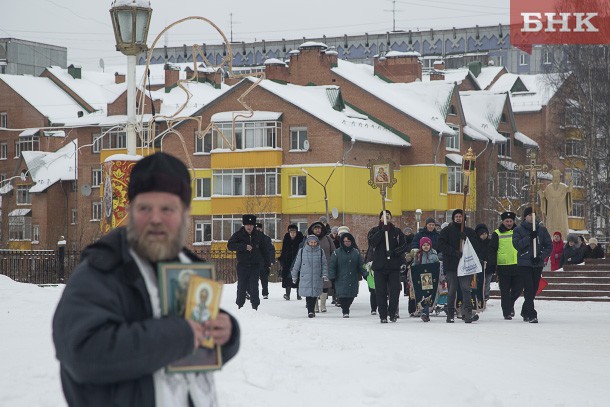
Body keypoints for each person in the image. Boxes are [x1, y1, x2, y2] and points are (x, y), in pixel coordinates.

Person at [52, 152, 240, 406]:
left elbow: (198, 345)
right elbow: (82, 353)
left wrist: (227, 335)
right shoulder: (101, 272)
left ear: (186, 213)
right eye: (145, 208)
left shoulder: (188, 268)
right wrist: (177, 336)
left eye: (167, 209)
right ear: (130, 210)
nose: (155, 219)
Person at [367, 210, 409, 323]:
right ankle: (383, 315)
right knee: (380, 292)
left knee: (395, 291)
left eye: (388, 216)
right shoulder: (374, 231)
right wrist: (382, 231)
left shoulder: (397, 232)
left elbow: (404, 246)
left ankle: (392, 313)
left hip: (393, 267)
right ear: (380, 218)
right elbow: (372, 243)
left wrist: (394, 252)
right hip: (379, 267)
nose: (386, 218)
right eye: (384, 216)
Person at [512, 206, 552, 323]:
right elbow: (517, 245)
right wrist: (529, 238)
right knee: (529, 287)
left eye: (533, 215)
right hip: (524, 263)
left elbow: (549, 246)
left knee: (534, 288)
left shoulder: (542, 230)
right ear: (525, 217)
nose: (531, 217)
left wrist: (540, 256)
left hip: (537, 263)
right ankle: (531, 313)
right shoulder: (518, 230)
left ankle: (525, 310)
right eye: (529, 215)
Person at [438, 209, 478, 323]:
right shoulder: (447, 231)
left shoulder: (469, 231)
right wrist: (454, 252)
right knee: (452, 290)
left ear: (464, 218)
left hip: (465, 265)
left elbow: (475, 245)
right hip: (452, 265)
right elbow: (441, 244)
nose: (458, 218)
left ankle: (467, 313)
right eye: (456, 216)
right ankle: (450, 313)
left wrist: (466, 238)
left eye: (460, 216)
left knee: (466, 289)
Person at [228, 214, 269, 310]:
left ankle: (255, 307)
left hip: (255, 265)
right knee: (241, 286)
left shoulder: (259, 235)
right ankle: (240, 305)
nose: (249, 227)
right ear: (244, 225)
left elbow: (265, 250)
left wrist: (267, 265)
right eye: (247, 225)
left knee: (254, 286)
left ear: (254, 225)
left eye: (251, 225)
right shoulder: (238, 234)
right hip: (242, 265)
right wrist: (244, 246)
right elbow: (230, 245)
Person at [487, 211, 522, 319]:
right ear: (503, 221)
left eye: (511, 221)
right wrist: (493, 264)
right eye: (507, 221)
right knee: (505, 291)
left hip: (517, 265)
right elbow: (492, 250)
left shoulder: (519, 231)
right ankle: (507, 312)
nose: (509, 223)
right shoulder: (497, 233)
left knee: (519, 288)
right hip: (503, 266)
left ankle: (510, 304)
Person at [328, 232, 367, 318]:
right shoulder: (336, 253)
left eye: (349, 241)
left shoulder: (356, 252)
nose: (347, 243)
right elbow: (332, 265)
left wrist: (365, 274)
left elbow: (361, 265)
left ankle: (347, 307)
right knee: (342, 296)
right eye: (345, 241)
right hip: (340, 278)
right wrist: (332, 277)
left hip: (353, 278)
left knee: (351, 296)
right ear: (342, 242)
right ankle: (345, 311)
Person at [291, 235, 329, 318]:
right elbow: (297, 264)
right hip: (306, 276)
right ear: (308, 243)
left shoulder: (320, 251)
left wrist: (325, 274)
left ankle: (312, 310)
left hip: (316, 276)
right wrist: (294, 276)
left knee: (314, 294)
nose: (313, 244)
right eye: (311, 242)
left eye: (315, 242)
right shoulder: (302, 251)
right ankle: (310, 311)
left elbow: (324, 264)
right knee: (308, 295)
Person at [307, 220, 335, 312]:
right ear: (312, 230)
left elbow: (333, 252)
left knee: (325, 285)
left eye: (319, 228)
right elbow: (304, 252)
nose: (318, 230)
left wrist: (333, 263)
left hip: (326, 265)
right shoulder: (309, 239)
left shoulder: (327, 238)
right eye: (315, 229)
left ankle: (323, 305)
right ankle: (315, 306)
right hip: (313, 267)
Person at [411, 236, 440, 322]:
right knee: (422, 295)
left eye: (427, 245)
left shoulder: (434, 256)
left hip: (431, 279)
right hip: (422, 278)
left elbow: (438, 267)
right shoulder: (418, 255)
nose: (426, 246)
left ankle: (426, 312)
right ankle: (424, 312)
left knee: (429, 295)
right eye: (424, 245)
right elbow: (414, 266)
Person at [539, 169, 573, 240]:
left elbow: (570, 189)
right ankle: (550, 238)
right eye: (554, 177)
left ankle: (563, 238)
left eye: (557, 177)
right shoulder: (549, 187)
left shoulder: (563, 187)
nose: (555, 179)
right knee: (551, 226)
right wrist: (539, 192)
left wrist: (571, 180)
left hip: (561, 210)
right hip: (551, 210)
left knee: (562, 224)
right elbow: (543, 196)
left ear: (559, 178)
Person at [278, 224, 304, 300]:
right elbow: (283, 251)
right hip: (288, 262)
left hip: (298, 261)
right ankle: (287, 294)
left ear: (296, 232)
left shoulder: (300, 240)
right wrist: (282, 260)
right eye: (291, 232)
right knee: (288, 278)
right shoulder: (286, 239)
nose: (292, 234)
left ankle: (299, 295)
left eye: (294, 232)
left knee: (298, 277)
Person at [255, 222, 276, 300]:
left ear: (261, 229)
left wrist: (271, 261)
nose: (258, 230)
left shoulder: (266, 238)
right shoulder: (250, 238)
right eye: (256, 229)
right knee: (253, 280)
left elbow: (271, 250)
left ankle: (265, 293)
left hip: (264, 263)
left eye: (259, 229)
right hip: (254, 263)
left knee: (264, 279)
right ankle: (253, 293)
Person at [473, 223, 491, 301]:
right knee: (478, 282)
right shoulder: (474, 243)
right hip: (478, 266)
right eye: (482, 234)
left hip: (488, 266)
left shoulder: (490, 242)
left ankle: (486, 296)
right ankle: (478, 295)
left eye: (485, 234)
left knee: (487, 282)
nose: (484, 236)